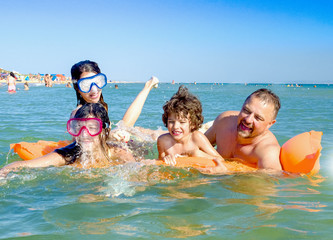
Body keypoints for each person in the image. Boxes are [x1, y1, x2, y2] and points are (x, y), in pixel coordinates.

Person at [0, 103, 136, 176]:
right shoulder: (68, 154)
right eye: (78, 127)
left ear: (105, 129)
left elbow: (135, 172)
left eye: (92, 127)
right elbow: (22, 165)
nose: (84, 134)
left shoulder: (117, 153)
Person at [70, 60, 160, 141]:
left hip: (108, 142)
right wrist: (110, 136)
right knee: (125, 128)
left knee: (144, 131)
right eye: (86, 85)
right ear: (77, 88)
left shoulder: (100, 106)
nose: (94, 89)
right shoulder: (77, 113)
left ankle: (148, 87)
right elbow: (78, 139)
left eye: (97, 82)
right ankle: (148, 86)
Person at [204, 88, 282, 173]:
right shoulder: (224, 122)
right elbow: (197, 143)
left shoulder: (267, 151)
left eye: (258, 118)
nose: (248, 120)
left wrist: (227, 172)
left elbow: (270, 180)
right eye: (246, 111)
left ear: (270, 124)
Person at [157, 85, 227, 172]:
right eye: (171, 121)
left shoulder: (196, 138)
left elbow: (221, 160)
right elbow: (159, 165)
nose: (175, 126)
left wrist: (195, 154)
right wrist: (165, 158)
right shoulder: (163, 141)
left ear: (193, 124)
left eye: (182, 122)